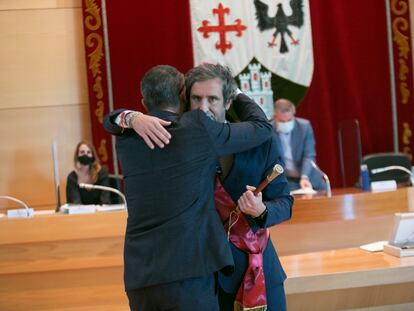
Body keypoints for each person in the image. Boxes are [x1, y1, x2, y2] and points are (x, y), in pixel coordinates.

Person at [108, 64, 294, 311]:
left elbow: (285, 203)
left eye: (212, 99)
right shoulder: (176, 136)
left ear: (228, 102)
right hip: (204, 280)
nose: (204, 107)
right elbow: (112, 119)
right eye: (197, 98)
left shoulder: (258, 143)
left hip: (257, 270)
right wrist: (132, 117)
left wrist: (262, 211)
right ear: (185, 99)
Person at [272, 98, 326, 192]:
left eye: (289, 120)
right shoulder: (269, 130)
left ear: (294, 114)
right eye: (282, 121)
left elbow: (309, 155)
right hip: (287, 181)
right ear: (275, 116)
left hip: (309, 178)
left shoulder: (304, 127)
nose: (286, 123)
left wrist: (305, 177)